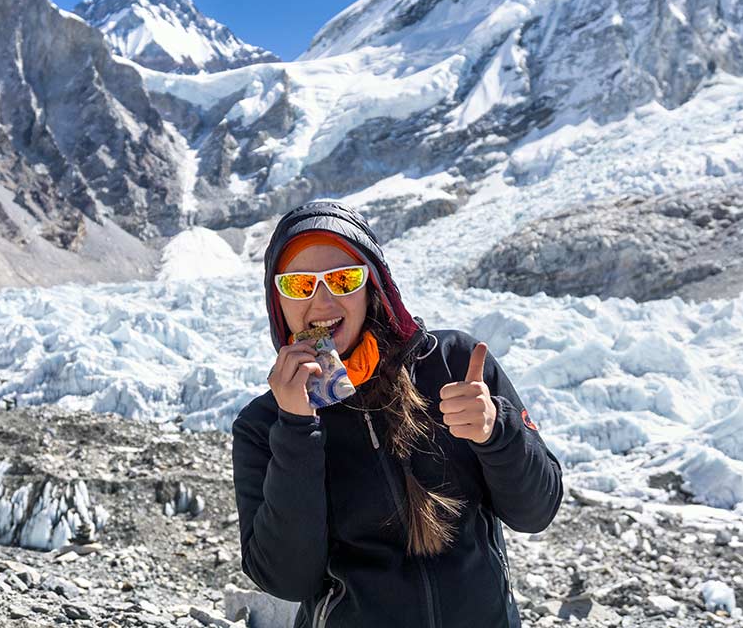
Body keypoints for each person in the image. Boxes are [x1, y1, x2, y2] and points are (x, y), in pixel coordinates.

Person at [231, 200, 563, 628]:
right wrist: (296, 427)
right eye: (299, 284)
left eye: (344, 278)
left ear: (373, 283)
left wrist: (496, 431)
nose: (323, 299)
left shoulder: (454, 365)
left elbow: (536, 512)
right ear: (278, 300)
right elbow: (286, 579)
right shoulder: (263, 426)